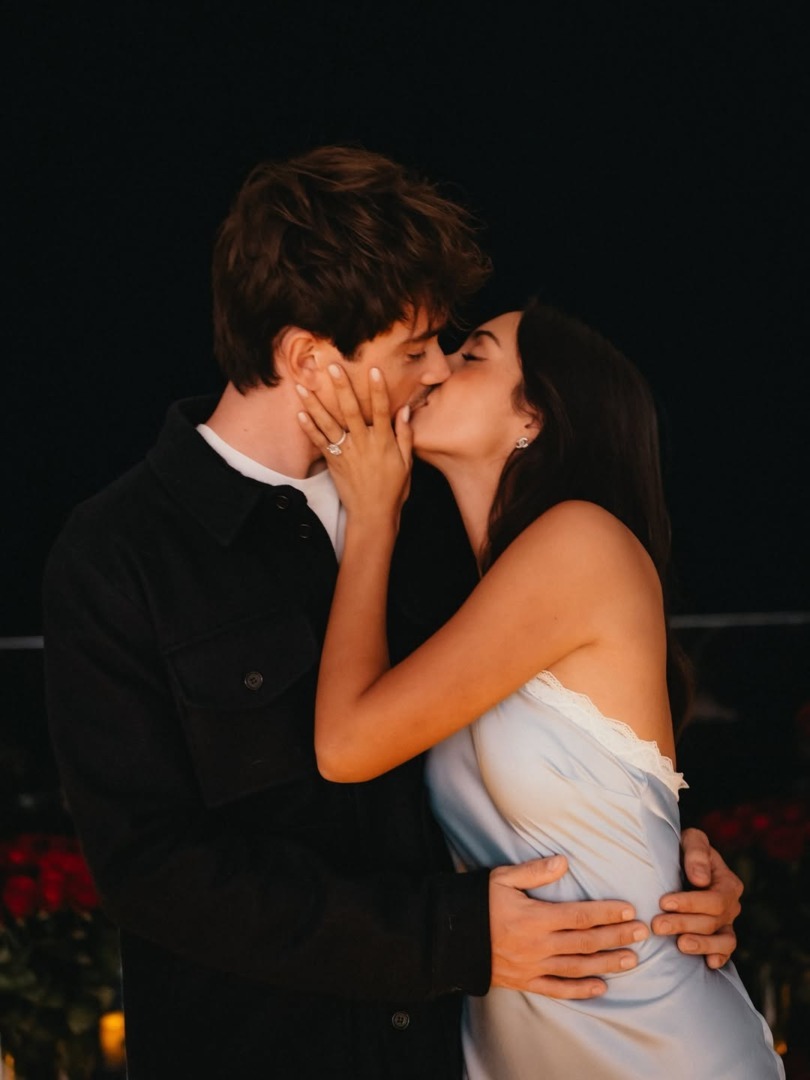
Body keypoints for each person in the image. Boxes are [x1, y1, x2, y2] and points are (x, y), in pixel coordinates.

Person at [43, 147, 742, 1079]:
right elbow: (153, 871)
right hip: (260, 1055)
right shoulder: (120, 552)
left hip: (467, 1053)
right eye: (413, 351)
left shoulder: (447, 519)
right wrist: (453, 939)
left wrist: (677, 870)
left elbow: (574, 734)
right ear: (306, 357)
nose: (437, 370)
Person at [295, 302, 784, 1078]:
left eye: (473, 355)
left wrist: (373, 520)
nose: (437, 367)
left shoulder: (578, 541)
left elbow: (347, 745)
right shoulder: (480, 590)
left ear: (534, 415)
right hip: (519, 1048)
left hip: (654, 1047)